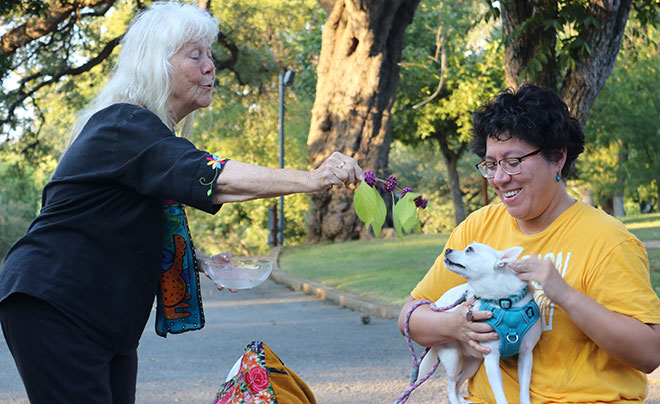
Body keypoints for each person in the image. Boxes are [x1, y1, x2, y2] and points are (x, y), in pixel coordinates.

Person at [0, 2, 362, 403]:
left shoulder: (147, 135)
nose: (211, 67)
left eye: (210, 55)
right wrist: (313, 179)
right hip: (57, 305)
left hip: (103, 319)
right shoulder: (124, 124)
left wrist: (200, 261)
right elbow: (214, 177)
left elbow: (127, 220)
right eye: (196, 55)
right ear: (157, 64)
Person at [398, 84, 660, 403]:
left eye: (513, 161)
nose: (499, 178)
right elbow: (410, 317)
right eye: (491, 165)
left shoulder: (608, 240)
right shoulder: (478, 229)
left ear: (558, 156)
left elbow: (649, 353)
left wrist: (564, 294)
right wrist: (453, 324)